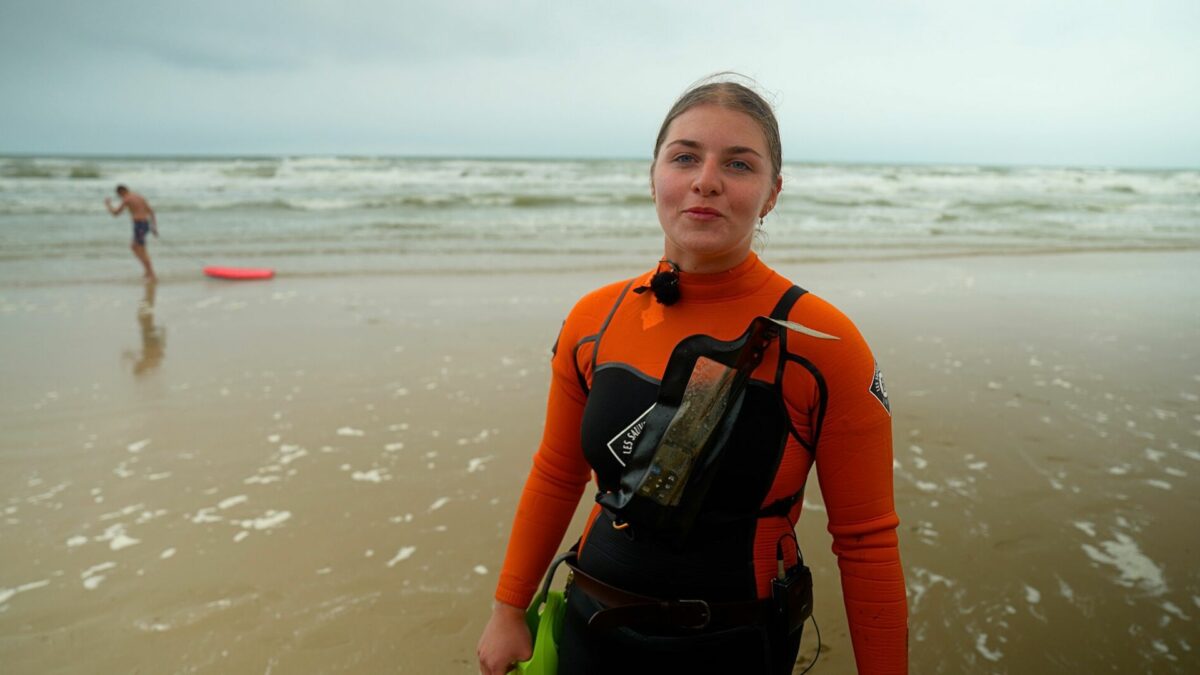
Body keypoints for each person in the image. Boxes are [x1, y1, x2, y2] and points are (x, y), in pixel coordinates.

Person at [477, 76, 908, 674]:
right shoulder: (593, 319)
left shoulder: (824, 344)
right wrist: (507, 608)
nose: (706, 180)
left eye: (738, 164)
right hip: (590, 627)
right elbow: (556, 473)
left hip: (735, 647)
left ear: (772, 192)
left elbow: (866, 542)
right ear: (653, 175)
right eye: (685, 157)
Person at [105, 184, 158, 279]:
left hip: (139, 225)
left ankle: (151, 273)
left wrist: (108, 205)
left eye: (119, 195)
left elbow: (115, 213)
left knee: (141, 249)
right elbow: (151, 211)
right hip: (145, 224)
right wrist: (154, 227)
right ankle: (148, 271)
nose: (120, 197)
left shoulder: (127, 199)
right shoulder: (139, 197)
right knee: (135, 247)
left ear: (121, 192)